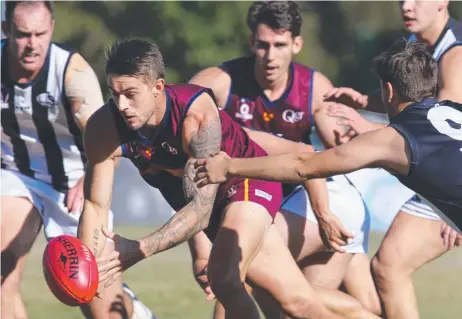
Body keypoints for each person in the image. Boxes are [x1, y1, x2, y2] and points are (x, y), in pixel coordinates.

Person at [85, 38, 379, 319]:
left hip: (245, 183)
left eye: (130, 94)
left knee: (224, 277)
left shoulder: (195, 118)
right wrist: (90, 266)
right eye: (114, 93)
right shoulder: (104, 126)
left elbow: (199, 212)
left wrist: (141, 248)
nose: (121, 105)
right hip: (212, 209)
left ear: (157, 87)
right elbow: (95, 205)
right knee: (297, 302)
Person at [195, 39, 462, 277]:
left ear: (389, 91)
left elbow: (304, 165)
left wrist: (230, 166)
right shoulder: (453, 111)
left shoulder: (391, 140)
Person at [188, 1, 378, 316]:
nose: (271, 56)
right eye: (263, 46)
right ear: (251, 43)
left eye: (280, 45)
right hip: (283, 205)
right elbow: (175, 115)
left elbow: (341, 151)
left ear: (297, 44)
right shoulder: (220, 83)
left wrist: (356, 126)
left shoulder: (314, 88)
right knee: (297, 306)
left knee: (234, 265)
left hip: (323, 198)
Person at [0, 2, 155, 319]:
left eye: (40, 34)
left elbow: (108, 143)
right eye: (23, 34)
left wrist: (88, 179)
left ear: (52, 29)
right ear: (6, 30)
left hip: (78, 180)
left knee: (94, 298)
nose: (32, 44)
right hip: (17, 176)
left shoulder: (72, 72)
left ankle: (135, 312)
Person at [323, 1, 462, 318]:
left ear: (443, 2)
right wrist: (365, 102)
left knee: (389, 266)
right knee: (387, 267)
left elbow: (440, 140)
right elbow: (418, 110)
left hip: (453, 175)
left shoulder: (455, 55)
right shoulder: (418, 44)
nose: (407, 7)